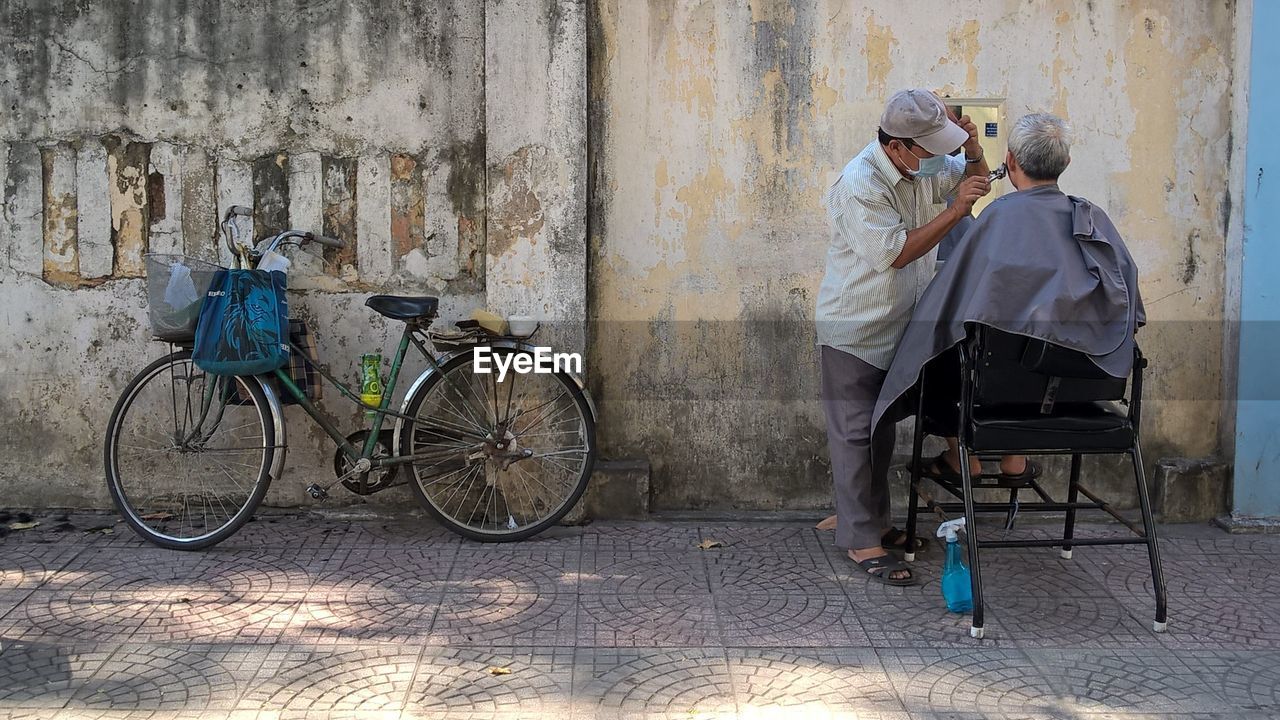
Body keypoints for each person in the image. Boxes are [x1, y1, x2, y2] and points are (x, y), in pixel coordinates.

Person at [872, 113, 1145, 479]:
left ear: (1011, 162)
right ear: (1065, 163)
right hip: (1082, 388)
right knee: (1030, 346)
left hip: (997, 391)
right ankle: (1015, 459)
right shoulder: (1096, 222)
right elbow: (1131, 311)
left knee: (940, 348)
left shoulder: (998, 219)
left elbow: (947, 305)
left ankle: (961, 456)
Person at [816, 89, 991, 585]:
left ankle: (879, 524)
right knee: (855, 436)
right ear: (896, 146)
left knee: (882, 431)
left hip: (897, 323)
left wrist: (972, 147)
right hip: (854, 325)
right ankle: (860, 541)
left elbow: (975, 179)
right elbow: (896, 252)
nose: (941, 158)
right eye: (931, 149)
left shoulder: (920, 164)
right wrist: (955, 211)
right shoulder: (861, 182)